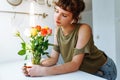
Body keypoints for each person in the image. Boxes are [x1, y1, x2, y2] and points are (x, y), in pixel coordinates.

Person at [23, 0, 117, 80]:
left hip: (103, 69)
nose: (57, 17)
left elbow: (75, 64)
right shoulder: (57, 30)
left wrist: (42, 71)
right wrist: (35, 65)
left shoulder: (84, 29)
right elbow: (53, 59)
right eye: (56, 11)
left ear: (74, 18)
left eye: (64, 15)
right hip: (83, 70)